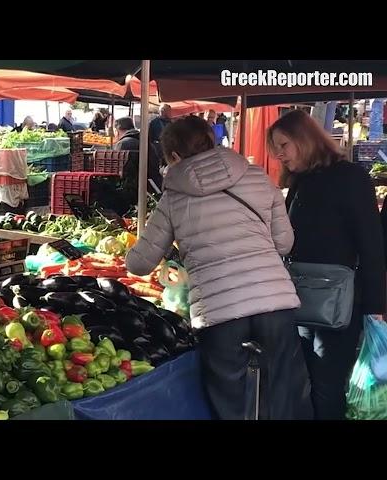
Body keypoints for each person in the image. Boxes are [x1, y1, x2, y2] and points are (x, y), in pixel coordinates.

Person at [126, 115, 312, 420]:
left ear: (173, 157)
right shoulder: (257, 177)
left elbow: (140, 264)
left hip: (219, 313)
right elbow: (283, 243)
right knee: (284, 390)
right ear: (211, 141)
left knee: (231, 398)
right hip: (274, 304)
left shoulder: (173, 197)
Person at [268, 109, 386, 420]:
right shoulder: (299, 181)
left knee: (327, 384)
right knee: (307, 379)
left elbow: (372, 246)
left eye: (283, 145)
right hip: (303, 299)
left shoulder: (350, 177)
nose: (278, 155)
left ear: (304, 140)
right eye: (276, 148)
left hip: (342, 304)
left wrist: (375, 307)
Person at [113, 117, 162, 212]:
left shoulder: (123, 144)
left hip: (132, 190)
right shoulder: (145, 142)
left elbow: (121, 169)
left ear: (117, 130)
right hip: (150, 187)